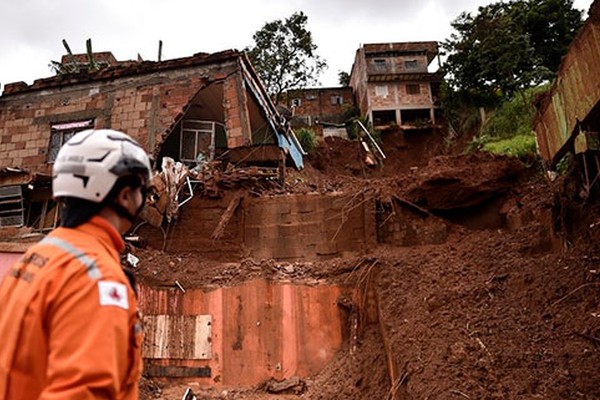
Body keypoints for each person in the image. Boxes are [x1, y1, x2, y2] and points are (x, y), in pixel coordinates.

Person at [0, 129, 151, 399]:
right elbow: (84, 392)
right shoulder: (98, 277)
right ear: (124, 196)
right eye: (142, 190)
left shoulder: (35, 259)